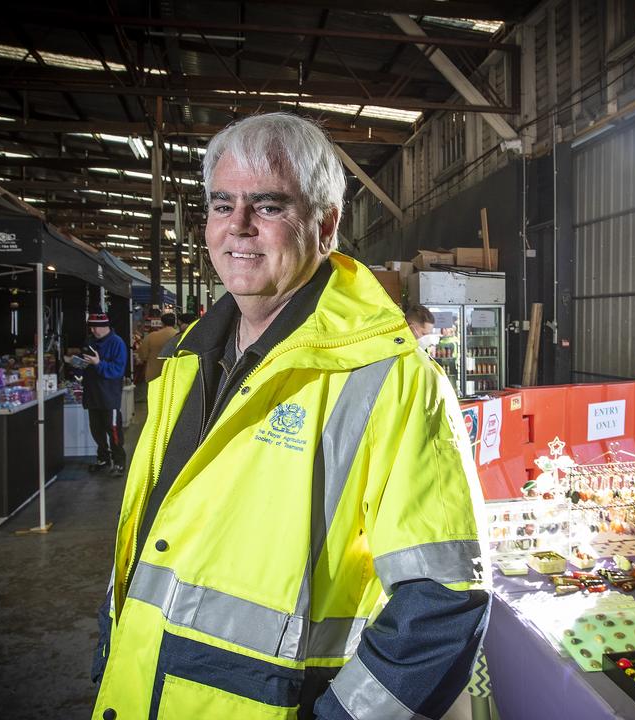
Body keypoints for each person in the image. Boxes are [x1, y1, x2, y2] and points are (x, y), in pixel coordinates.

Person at [91, 113, 488, 720]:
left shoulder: (391, 378)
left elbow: (445, 599)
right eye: (222, 204)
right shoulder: (187, 362)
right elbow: (148, 547)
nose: (238, 228)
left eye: (268, 206)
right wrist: (111, 661)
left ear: (325, 225)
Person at [74, 313, 128, 475]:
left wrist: (98, 363)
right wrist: (77, 365)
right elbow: (85, 362)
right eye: (91, 327)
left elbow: (117, 371)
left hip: (109, 396)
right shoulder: (90, 341)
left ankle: (119, 462)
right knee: (96, 429)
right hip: (92, 394)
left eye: (96, 327)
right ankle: (103, 458)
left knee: (113, 430)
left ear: (106, 326)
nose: (94, 330)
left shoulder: (117, 343)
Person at [136, 312, 178, 384]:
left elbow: (143, 355)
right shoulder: (179, 336)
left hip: (154, 375)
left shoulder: (152, 336)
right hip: (174, 375)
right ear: (175, 323)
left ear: (162, 323)